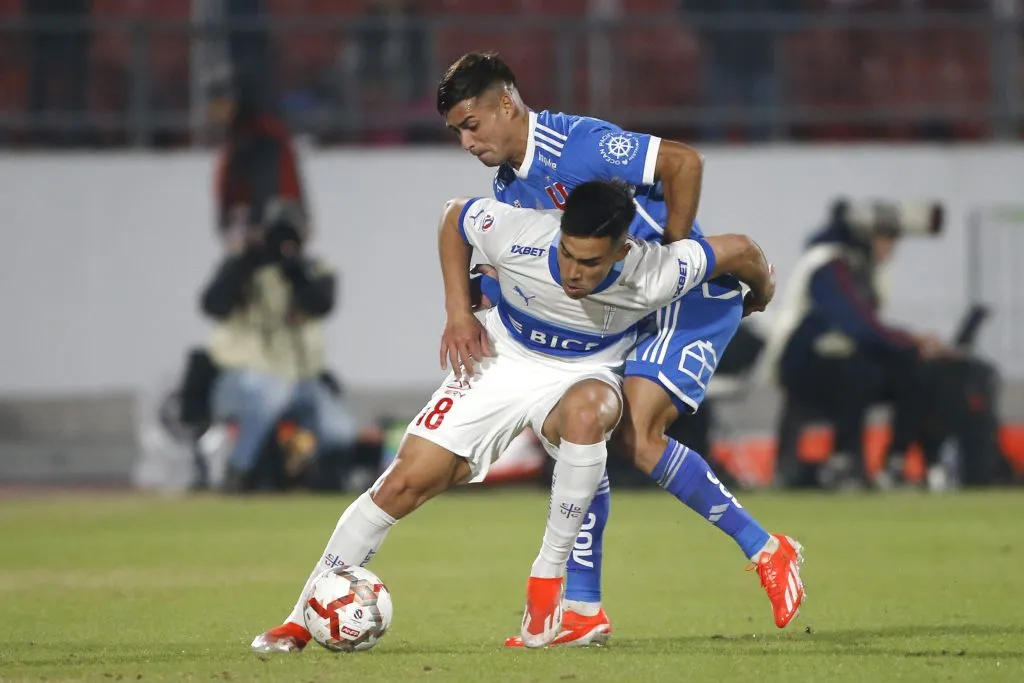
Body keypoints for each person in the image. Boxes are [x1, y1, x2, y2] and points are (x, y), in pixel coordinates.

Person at [250, 180, 777, 652]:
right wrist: (458, 312)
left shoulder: (656, 269)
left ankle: (546, 581)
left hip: (585, 373)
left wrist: (761, 294)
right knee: (402, 484)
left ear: (621, 250)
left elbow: (742, 250)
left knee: (591, 415)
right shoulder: (521, 233)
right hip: (501, 359)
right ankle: (300, 618)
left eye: (591, 263)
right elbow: (455, 216)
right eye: (568, 254)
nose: (573, 272)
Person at [436, 52, 804, 645]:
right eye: (456, 131)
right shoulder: (509, 181)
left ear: (507, 104)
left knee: (637, 436)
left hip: (680, 298)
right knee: (581, 431)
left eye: (471, 124)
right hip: (623, 303)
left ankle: (767, 549)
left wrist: (676, 259)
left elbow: (684, 162)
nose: (465, 141)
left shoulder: (577, 145)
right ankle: (583, 610)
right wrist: (481, 292)